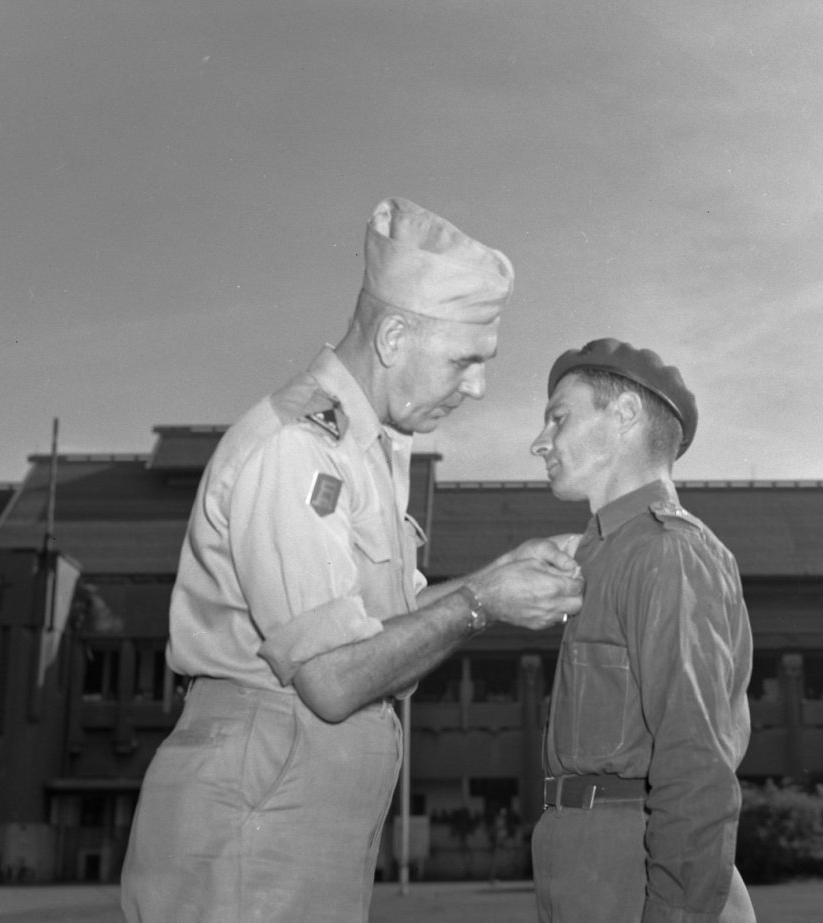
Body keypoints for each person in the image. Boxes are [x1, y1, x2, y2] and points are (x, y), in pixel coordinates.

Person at [120, 197, 584, 922]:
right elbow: (333, 680)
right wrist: (483, 603)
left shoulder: (363, 452)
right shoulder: (299, 448)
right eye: (465, 360)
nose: (478, 387)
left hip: (289, 801)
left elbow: (380, 626)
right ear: (395, 336)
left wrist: (498, 575)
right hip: (260, 800)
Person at [529, 338, 755, 922]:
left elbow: (696, 763)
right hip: (587, 856)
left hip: (633, 855)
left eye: (559, 417)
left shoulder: (665, 552)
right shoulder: (606, 554)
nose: (540, 442)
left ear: (625, 413)